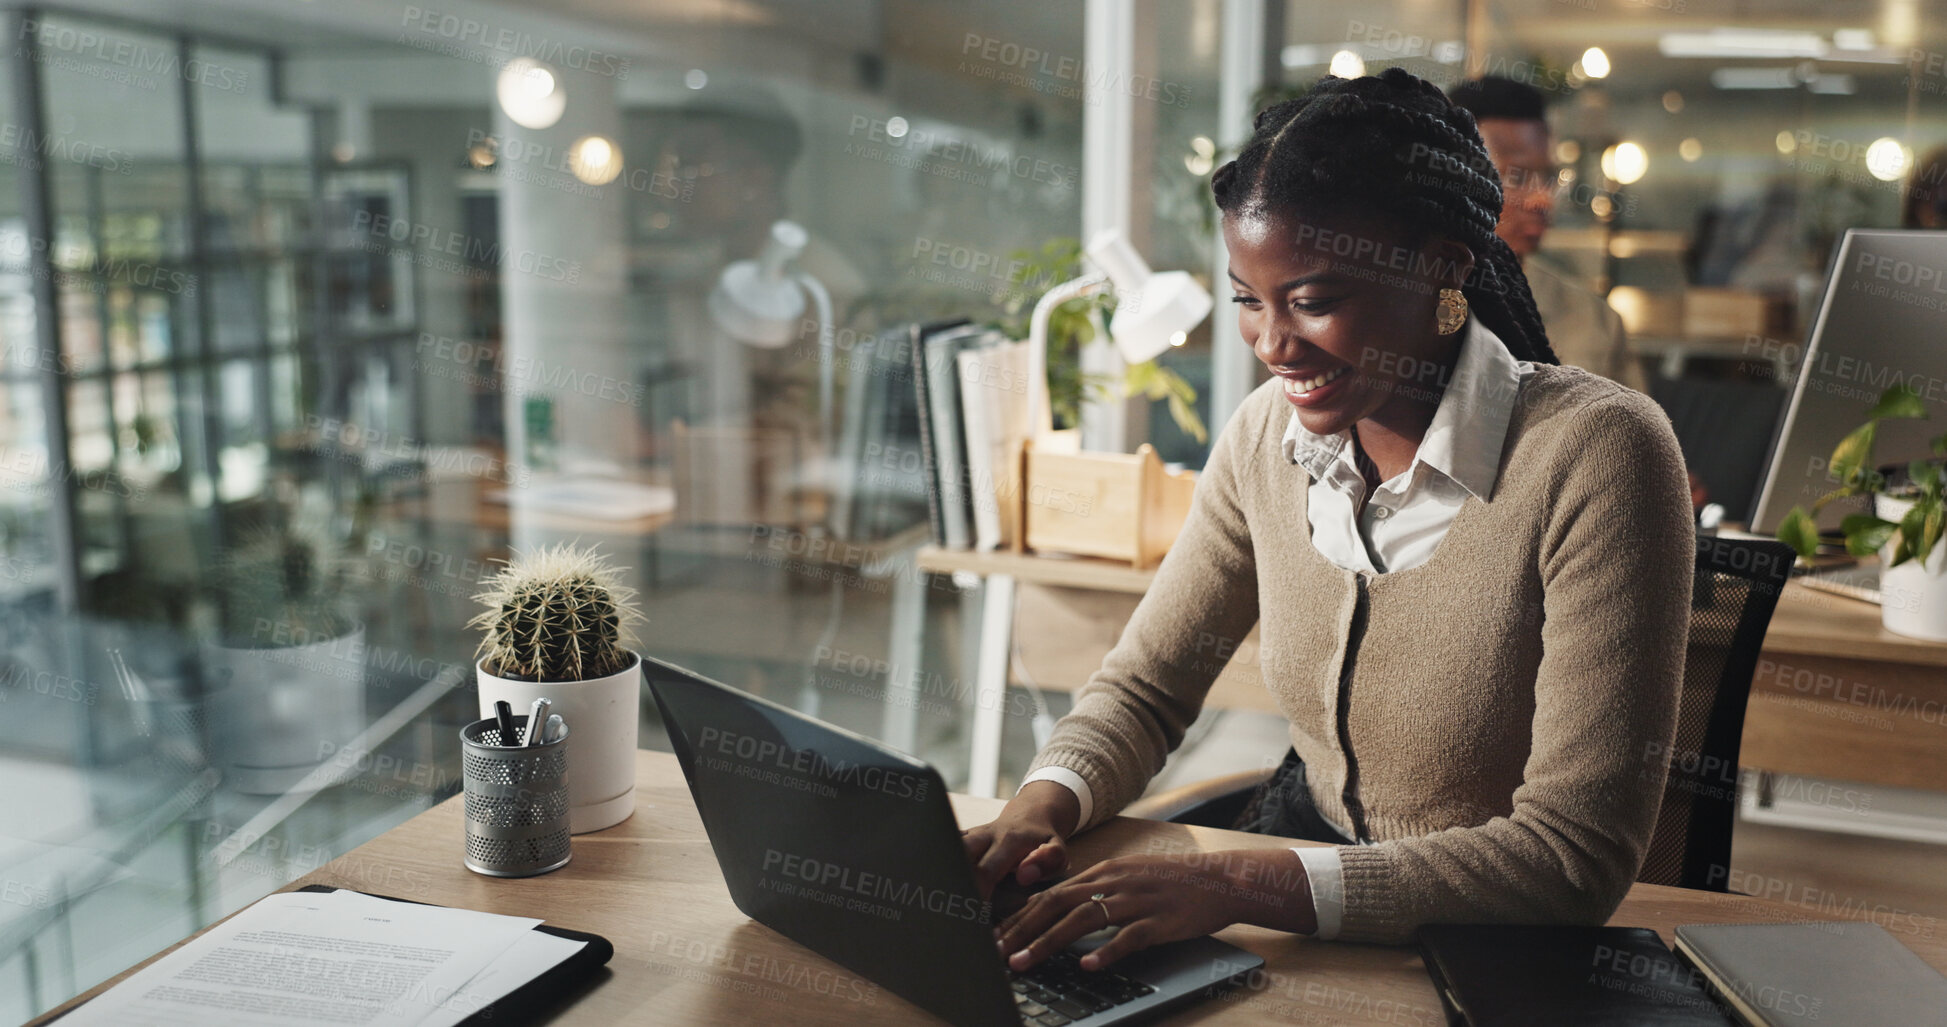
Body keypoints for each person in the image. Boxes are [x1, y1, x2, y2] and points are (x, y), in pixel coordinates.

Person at [964, 69, 1694, 965]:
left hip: (1486, 948)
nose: (1272, 345)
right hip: (1301, 895)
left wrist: (1237, 882)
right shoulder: (1264, 436)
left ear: (1445, 268)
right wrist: (1040, 803)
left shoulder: (1599, 453)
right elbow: (1147, 688)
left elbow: (1571, 858)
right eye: (1247, 299)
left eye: (1312, 301)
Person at [1447, 76, 1646, 392]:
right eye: (1517, 176)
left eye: (1548, 177)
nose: (1543, 199)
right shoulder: (1404, 304)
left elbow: (1636, 435)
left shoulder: (1593, 321)